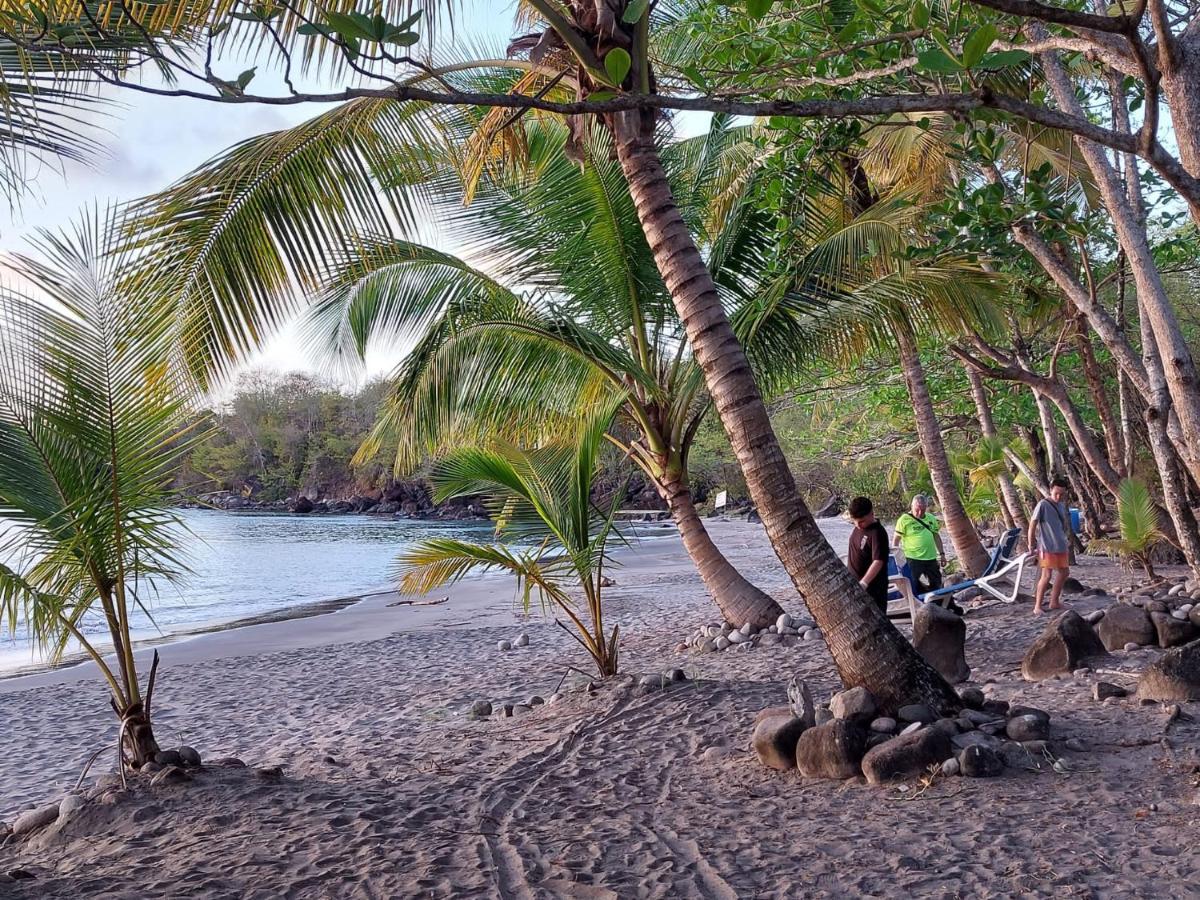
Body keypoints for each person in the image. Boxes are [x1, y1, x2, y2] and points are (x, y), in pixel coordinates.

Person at [1028, 478, 1072, 616]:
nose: (1058, 497)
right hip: (1047, 546)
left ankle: (1054, 601)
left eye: (1061, 494)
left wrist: (1066, 540)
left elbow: (1061, 525)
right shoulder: (1043, 504)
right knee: (1046, 576)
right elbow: (1032, 524)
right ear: (1051, 490)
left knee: (1064, 572)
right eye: (1056, 493)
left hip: (1060, 545)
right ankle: (1037, 606)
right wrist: (1031, 543)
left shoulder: (1061, 505)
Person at [893, 493, 947, 593]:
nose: (919, 513)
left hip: (930, 557)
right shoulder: (904, 520)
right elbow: (896, 539)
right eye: (917, 510)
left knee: (937, 583)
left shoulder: (930, 518)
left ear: (926, 507)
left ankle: (938, 602)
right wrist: (896, 557)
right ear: (912, 506)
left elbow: (936, 536)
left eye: (922, 510)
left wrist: (942, 554)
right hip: (913, 558)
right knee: (912, 584)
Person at [846, 496, 890, 611]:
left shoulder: (877, 533)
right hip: (853, 583)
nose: (858, 525)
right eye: (855, 522)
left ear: (871, 514)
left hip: (873, 588)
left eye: (861, 521)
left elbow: (878, 560)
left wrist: (864, 583)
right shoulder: (858, 528)